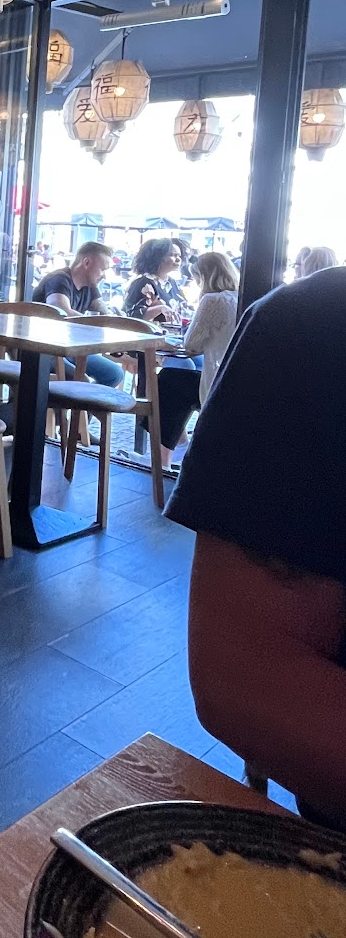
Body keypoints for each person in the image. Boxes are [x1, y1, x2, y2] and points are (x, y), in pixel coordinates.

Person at [170, 264, 346, 826]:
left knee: (168, 388)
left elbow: (187, 347)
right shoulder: (318, 325)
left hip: (206, 392)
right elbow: (242, 676)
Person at [155, 251, 240, 467]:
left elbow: (191, 344)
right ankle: (177, 447)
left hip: (217, 387)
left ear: (204, 277)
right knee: (181, 378)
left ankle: (162, 458)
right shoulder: (240, 296)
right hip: (236, 381)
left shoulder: (212, 300)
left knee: (168, 381)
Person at [31, 241, 123, 387]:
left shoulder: (90, 287)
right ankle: (70, 400)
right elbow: (61, 312)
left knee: (114, 374)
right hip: (43, 350)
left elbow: (104, 315)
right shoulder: (59, 279)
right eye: (102, 269)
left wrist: (114, 321)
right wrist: (94, 324)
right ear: (86, 263)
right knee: (81, 380)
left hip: (70, 349)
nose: (104, 276)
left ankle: (86, 401)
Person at [123, 237, 187, 323]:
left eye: (179, 256)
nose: (178, 259)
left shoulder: (173, 283)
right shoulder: (142, 283)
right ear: (157, 257)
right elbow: (131, 316)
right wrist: (160, 309)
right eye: (172, 255)